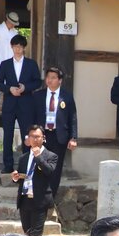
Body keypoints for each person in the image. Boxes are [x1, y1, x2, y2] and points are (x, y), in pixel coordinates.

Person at [0, 34, 42, 174]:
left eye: (20, 47)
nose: (17, 49)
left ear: (24, 48)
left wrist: (24, 88)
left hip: (26, 103)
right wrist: (9, 89)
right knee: (7, 134)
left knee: (26, 135)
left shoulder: (31, 64)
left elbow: (38, 81)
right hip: (9, 102)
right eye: (15, 46)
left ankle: (27, 164)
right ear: (11, 47)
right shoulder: (5, 64)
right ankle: (7, 165)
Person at [36, 67, 78, 198]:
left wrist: (73, 138)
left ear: (60, 80)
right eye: (48, 77)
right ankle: (39, 194)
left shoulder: (67, 96)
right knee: (40, 165)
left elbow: (73, 117)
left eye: (53, 77)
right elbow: (31, 116)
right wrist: (29, 135)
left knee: (56, 168)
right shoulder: (38, 95)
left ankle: (50, 197)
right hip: (41, 135)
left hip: (59, 136)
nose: (50, 80)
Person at [12, 125, 57, 236]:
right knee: (27, 234)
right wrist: (16, 178)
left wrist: (38, 156)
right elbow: (23, 176)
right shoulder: (24, 158)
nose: (34, 139)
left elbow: (49, 171)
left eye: (37, 136)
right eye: (31, 136)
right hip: (25, 199)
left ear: (43, 138)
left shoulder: (51, 156)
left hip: (40, 200)